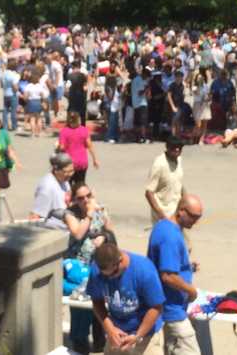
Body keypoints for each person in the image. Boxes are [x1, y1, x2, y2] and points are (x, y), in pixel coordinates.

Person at [148, 193, 203, 355]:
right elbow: (168, 276)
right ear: (181, 211)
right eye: (193, 216)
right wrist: (191, 290)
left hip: (168, 307)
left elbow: (164, 263)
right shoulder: (170, 236)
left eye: (199, 217)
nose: (196, 221)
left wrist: (187, 267)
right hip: (172, 311)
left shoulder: (164, 226)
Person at [87, 242, 165, 355]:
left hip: (146, 336)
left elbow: (156, 307)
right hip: (117, 335)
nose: (109, 278)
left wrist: (137, 336)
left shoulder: (144, 270)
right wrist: (109, 329)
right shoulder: (97, 271)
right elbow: (97, 300)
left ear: (121, 260)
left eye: (113, 273)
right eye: (105, 275)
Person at [65, 182, 113, 355]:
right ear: (74, 200)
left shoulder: (99, 210)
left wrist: (104, 237)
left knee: (100, 306)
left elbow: (110, 233)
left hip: (98, 266)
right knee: (80, 309)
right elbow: (77, 233)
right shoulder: (71, 214)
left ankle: (99, 344)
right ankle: (80, 345)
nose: (85, 200)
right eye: (80, 198)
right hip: (79, 268)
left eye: (88, 196)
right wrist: (90, 216)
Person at [145, 137, 185, 224]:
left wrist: (185, 202)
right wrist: (162, 216)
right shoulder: (159, 164)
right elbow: (149, 193)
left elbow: (179, 183)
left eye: (180, 147)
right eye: (174, 147)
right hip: (164, 213)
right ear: (167, 148)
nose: (177, 150)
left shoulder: (179, 160)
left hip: (177, 210)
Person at [30, 152, 74, 228]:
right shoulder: (47, 187)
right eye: (67, 172)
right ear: (56, 170)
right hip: (55, 231)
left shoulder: (64, 180)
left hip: (68, 224)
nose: (71, 174)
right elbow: (35, 217)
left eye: (72, 170)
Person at [58, 111, 100, 187]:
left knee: (68, 185)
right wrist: (95, 159)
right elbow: (90, 145)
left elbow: (62, 147)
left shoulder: (64, 131)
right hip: (82, 162)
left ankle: (71, 197)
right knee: (81, 184)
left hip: (69, 163)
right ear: (78, 119)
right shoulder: (84, 130)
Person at [1, 59, 20, 132]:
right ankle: (14, 125)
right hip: (12, 94)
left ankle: (5, 125)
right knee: (13, 111)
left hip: (5, 94)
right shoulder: (14, 75)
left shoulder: (4, 73)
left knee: (5, 111)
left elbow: (2, 85)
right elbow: (15, 86)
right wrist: (17, 89)